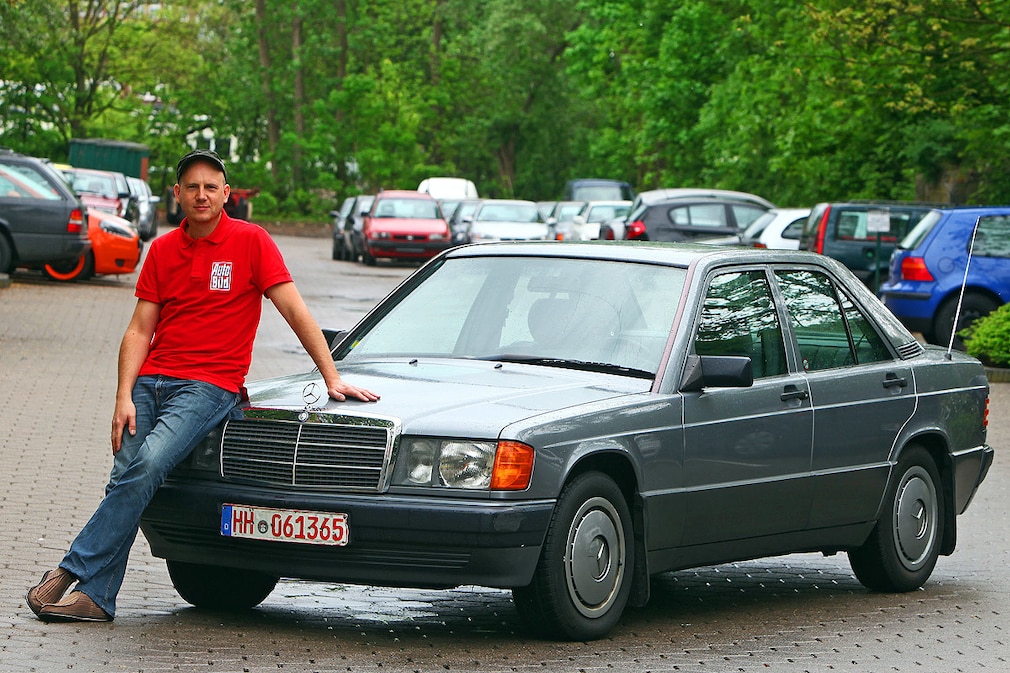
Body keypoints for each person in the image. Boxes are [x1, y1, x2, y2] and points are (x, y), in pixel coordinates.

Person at [26, 149, 379, 622]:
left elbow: (295, 310)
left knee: (146, 464)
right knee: (127, 477)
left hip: (209, 386)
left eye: (211, 186)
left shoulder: (252, 242)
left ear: (226, 193)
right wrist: (123, 396)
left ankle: (71, 571)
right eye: (192, 186)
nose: (201, 195)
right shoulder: (164, 250)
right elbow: (138, 330)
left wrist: (330, 375)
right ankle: (97, 599)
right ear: (177, 195)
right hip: (151, 381)